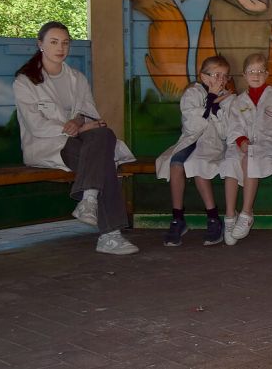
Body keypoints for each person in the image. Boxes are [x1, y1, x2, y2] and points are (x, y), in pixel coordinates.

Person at [13, 21, 137, 254]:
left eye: (65, 43)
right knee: (104, 159)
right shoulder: (25, 80)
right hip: (49, 145)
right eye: (54, 42)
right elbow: (36, 126)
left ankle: (89, 200)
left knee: (104, 135)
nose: (61, 48)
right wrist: (74, 128)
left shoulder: (77, 78)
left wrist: (80, 122)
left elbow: (89, 113)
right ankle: (110, 234)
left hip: (82, 143)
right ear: (40, 44)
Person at [156, 55, 236, 247]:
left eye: (225, 76)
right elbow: (192, 126)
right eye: (216, 75)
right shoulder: (192, 93)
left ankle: (213, 218)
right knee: (176, 164)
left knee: (198, 166)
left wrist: (216, 109)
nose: (221, 81)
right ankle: (177, 219)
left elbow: (226, 132)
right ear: (203, 76)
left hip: (213, 144)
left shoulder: (230, 99)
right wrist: (210, 101)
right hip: (190, 141)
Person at [223, 53, 272, 244]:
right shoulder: (238, 101)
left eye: (259, 71)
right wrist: (240, 140)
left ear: (267, 74)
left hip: (270, 146)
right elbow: (235, 126)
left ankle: (247, 213)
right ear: (244, 74)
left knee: (251, 157)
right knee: (231, 160)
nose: (255, 75)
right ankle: (230, 215)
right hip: (244, 144)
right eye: (251, 71)